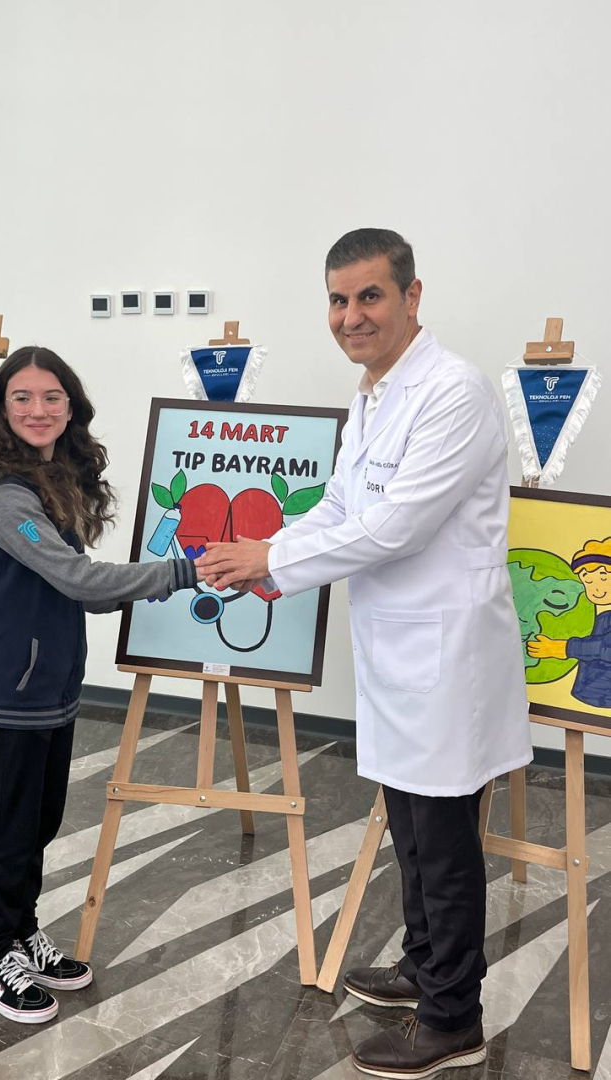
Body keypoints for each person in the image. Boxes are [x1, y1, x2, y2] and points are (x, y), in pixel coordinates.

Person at [196, 230, 533, 1078]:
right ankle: (423, 964)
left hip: (447, 656)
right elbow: (341, 507)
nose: (352, 316)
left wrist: (271, 561)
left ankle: (453, 1017)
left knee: (445, 841)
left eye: (370, 296)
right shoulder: (373, 395)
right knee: (411, 827)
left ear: (412, 296)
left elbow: (395, 526)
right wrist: (270, 552)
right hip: (395, 648)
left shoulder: (453, 392)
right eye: (339, 300)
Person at [0, 346, 201, 1024]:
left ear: (71, 408)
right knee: (7, 830)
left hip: (47, 688)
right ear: (2, 410)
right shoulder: (6, 495)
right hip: (6, 692)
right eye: (22, 398)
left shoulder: (47, 480)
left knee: (38, 823)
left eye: (52, 397)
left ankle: (19, 933)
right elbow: (80, 583)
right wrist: (183, 572)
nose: (38, 410)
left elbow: (72, 585)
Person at [528, 536, 611, 707]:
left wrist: (564, 648)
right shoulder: (602, 618)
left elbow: (606, 647)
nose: (596, 589)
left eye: (603, 577)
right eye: (587, 580)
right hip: (587, 697)